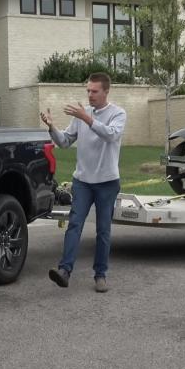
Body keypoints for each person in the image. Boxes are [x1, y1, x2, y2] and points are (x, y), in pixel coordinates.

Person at [40, 72, 126, 293]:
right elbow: (66, 141)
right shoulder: (82, 114)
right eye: (88, 90)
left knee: (103, 231)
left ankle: (100, 275)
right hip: (83, 182)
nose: (90, 95)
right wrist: (52, 127)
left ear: (106, 91)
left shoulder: (118, 114)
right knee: (75, 224)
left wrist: (87, 118)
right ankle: (64, 271)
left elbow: (110, 135)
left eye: (94, 91)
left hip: (107, 182)